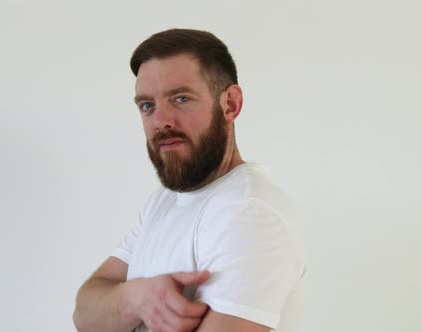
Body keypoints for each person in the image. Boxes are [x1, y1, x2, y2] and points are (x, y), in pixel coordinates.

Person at [73, 28, 306, 332]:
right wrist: (136, 298)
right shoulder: (164, 201)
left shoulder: (249, 213)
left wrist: (123, 307)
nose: (160, 121)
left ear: (230, 104)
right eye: (147, 105)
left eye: (181, 98)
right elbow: (85, 313)